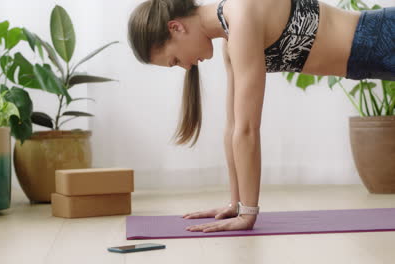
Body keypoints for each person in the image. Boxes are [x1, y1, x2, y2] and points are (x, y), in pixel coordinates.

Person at [127, 0, 395, 233]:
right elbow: (232, 125)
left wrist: (249, 212)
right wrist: (235, 204)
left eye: (174, 60)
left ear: (176, 27)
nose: (185, 67)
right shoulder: (231, 37)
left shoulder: (242, 16)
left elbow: (247, 130)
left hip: (383, 37)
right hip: (372, 60)